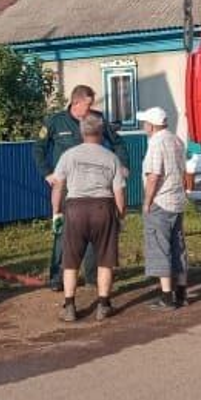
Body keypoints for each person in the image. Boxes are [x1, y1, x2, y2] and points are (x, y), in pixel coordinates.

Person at [36, 85, 120, 287]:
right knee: (61, 230)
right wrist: (48, 173)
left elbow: (118, 143)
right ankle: (57, 278)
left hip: (93, 185)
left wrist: (122, 165)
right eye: (87, 105)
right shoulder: (55, 121)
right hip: (65, 185)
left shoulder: (96, 120)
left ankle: (92, 277)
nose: (90, 109)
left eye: (92, 105)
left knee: (93, 231)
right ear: (76, 102)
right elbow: (38, 148)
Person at [49, 115, 127, 323]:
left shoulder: (69, 155)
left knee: (71, 261)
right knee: (105, 260)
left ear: (82, 132)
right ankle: (103, 304)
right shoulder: (111, 157)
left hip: (75, 209)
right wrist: (121, 215)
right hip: (104, 207)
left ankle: (69, 305)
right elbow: (119, 191)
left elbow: (58, 186)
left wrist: (56, 212)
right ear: (101, 133)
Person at [138, 107, 191, 310]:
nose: (144, 127)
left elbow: (154, 175)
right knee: (178, 246)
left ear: (151, 125)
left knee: (160, 246)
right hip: (177, 200)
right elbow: (184, 170)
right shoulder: (176, 140)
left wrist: (147, 201)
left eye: (145, 123)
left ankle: (166, 296)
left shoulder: (156, 143)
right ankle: (182, 292)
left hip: (160, 201)